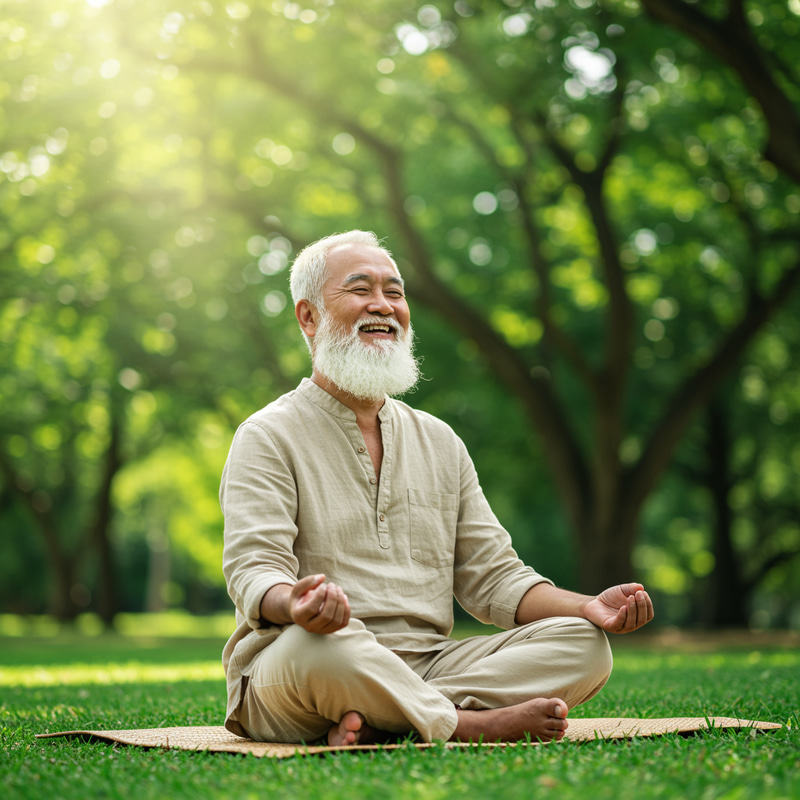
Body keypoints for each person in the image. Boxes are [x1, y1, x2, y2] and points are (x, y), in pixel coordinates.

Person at [220, 230, 654, 747]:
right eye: (360, 290)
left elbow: (494, 578)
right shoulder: (267, 435)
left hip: (432, 664)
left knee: (584, 645)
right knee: (324, 649)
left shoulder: (439, 440)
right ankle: (466, 725)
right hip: (309, 663)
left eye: (395, 292)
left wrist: (588, 607)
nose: (382, 305)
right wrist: (295, 605)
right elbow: (253, 569)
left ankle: (389, 721)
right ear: (308, 317)